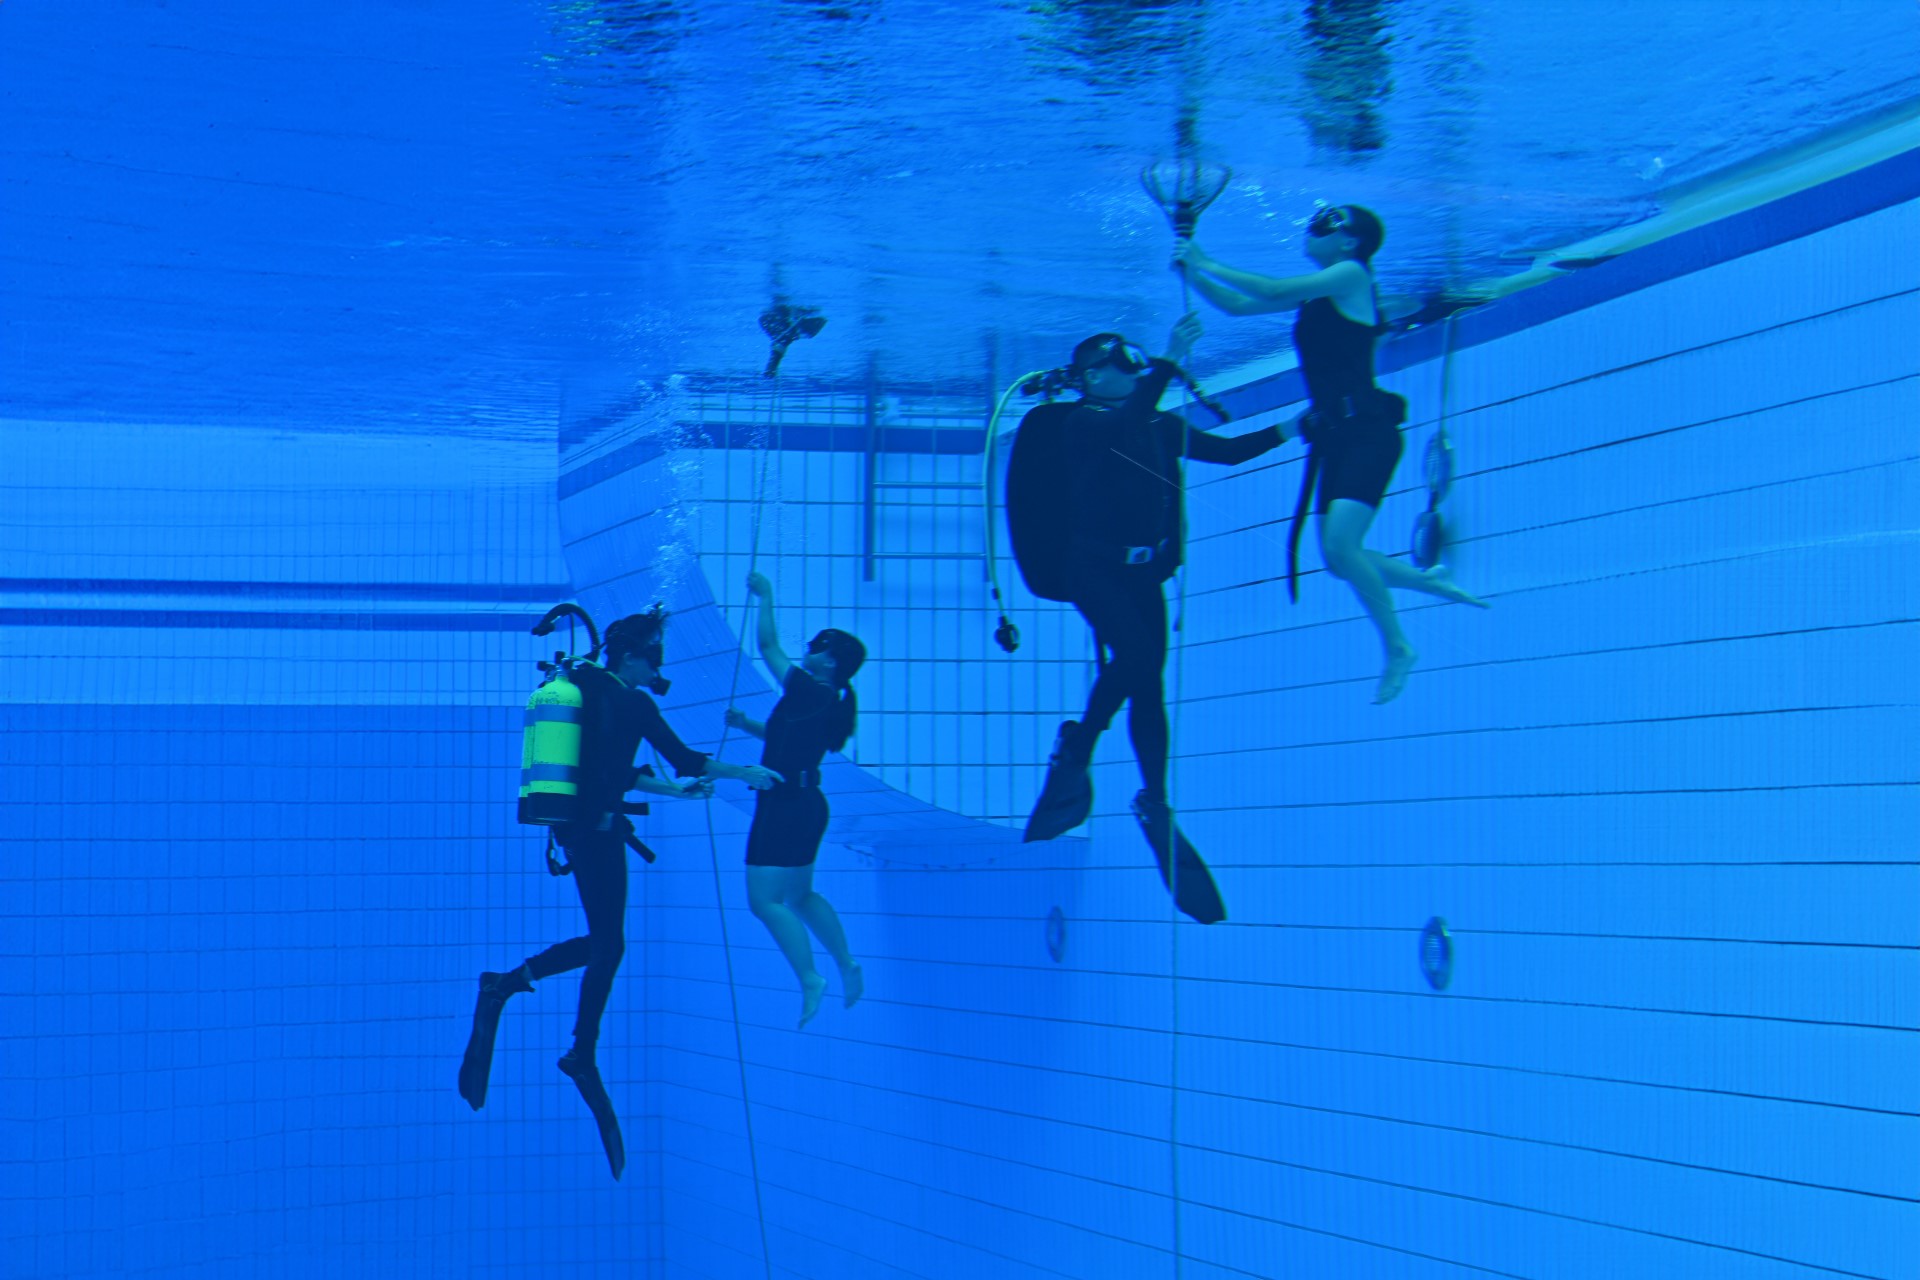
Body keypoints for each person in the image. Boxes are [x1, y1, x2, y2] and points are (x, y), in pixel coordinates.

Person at [460, 608, 782, 1179]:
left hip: (576, 829)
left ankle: (510, 989)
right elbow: (686, 758)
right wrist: (746, 774)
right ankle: (576, 1048)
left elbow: (613, 769)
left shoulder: (583, 687)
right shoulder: (633, 703)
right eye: (653, 660)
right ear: (631, 657)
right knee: (610, 945)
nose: (657, 671)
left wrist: (675, 793)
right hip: (598, 833)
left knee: (606, 942)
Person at [1023, 313, 1281, 923]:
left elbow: (1229, 452)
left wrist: (1300, 426)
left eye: (1135, 365)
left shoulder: (1159, 423)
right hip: (1093, 570)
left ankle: (1155, 800)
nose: (1134, 373)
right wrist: (1170, 357)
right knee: (1137, 658)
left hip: (1143, 574)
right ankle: (1080, 744)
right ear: (1092, 377)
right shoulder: (1086, 425)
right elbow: (1126, 424)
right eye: (1123, 365)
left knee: (1149, 686)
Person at [1175, 206, 1487, 704]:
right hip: (1336, 437)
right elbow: (1236, 306)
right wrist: (1190, 272)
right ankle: (1428, 581)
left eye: (1326, 223)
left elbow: (1270, 290)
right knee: (1340, 560)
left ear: (1350, 242)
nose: (1312, 227)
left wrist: (1204, 259)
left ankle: (1398, 647)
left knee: (1343, 547)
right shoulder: (1320, 293)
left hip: (1368, 432)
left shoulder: (1352, 274)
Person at [726, 572, 867, 1028]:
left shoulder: (809, 688)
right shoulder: (828, 699)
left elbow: (768, 646)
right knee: (800, 894)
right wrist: (746, 724)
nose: (808, 647)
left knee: (764, 901)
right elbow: (786, 740)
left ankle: (810, 977)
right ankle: (845, 962)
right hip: (808, 803)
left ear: (830, 661)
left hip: (784, 805)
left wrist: (766, 595)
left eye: (817, 645)